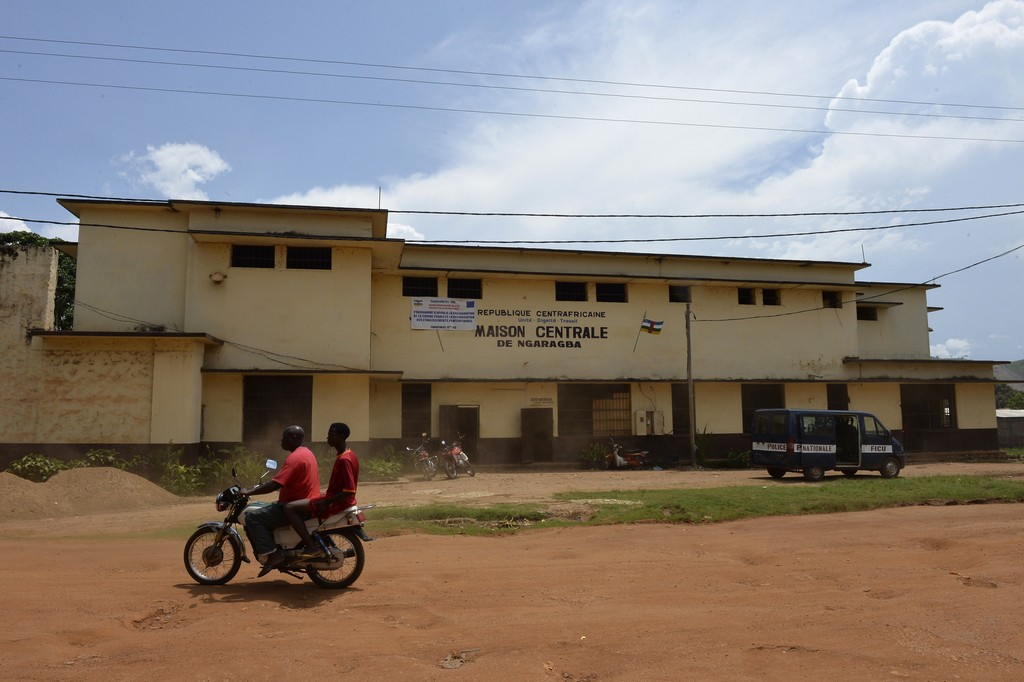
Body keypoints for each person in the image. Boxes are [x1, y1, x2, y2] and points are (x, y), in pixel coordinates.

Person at [239, 425, 321, 576]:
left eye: (284, 438)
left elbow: (274, 484)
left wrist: (248, 491)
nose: (281, 441)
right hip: (305, 502)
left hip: (294, 506)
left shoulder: (294, 458)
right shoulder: (307, 453)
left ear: (294, 438)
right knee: (264, 511)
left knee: (252, 518)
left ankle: (273, 555)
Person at [280, 422, 360, 556]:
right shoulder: (348, 454)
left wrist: (326, 502)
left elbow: (349, 491)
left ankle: (311, 546)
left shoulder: (344, 460)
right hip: (337, 499)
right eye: (328, 434)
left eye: (331, 435)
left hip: (338, 502)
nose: (327, 438)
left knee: (289, 508)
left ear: (341, 436)